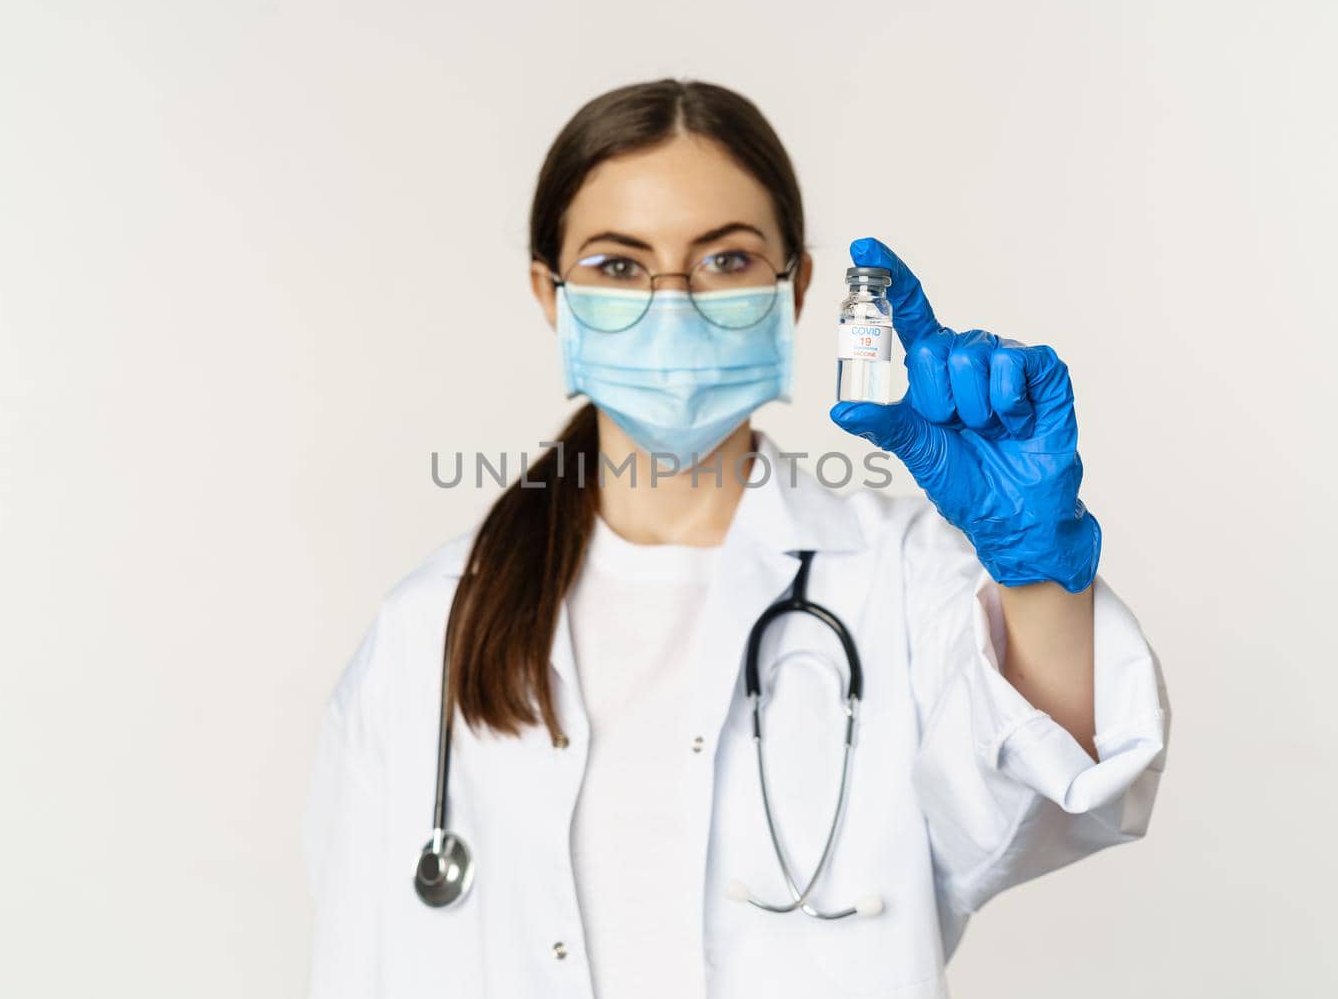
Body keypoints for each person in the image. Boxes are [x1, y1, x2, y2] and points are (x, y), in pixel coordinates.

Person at [303, 78, 1170, 999]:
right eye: (619, 265)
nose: (671, 303)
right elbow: (361, 960)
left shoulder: (899, 573)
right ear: (549, 295)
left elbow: (1046, 803)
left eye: (724, 260)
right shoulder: (428, 626)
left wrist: (1035, 571)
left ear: (792, 289)